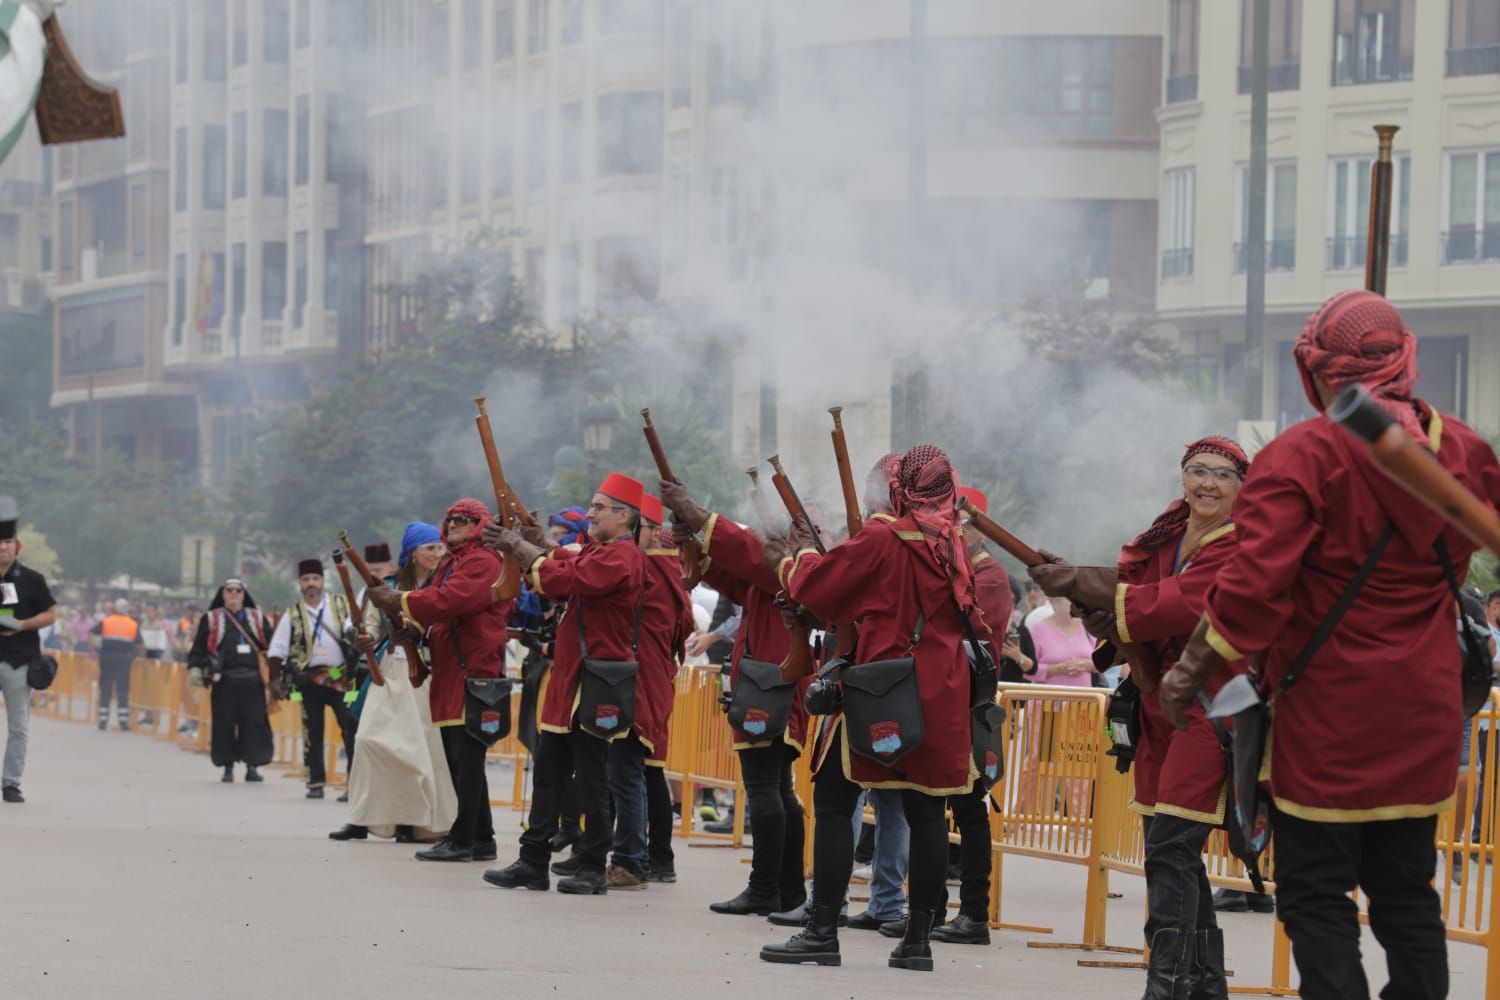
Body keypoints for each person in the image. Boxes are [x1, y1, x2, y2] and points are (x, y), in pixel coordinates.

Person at [1164, 290, 1500, 1000]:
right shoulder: (1466, 451)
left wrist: (1194, 668)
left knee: (1316, 895)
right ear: (1404, 357)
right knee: (1408, 893)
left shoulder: (1303, 456)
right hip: (1423, 711)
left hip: (1327, 716)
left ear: (1316, 371)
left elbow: (1254, 592)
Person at [1031, 436, 1248, 996]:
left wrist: (1081, 582)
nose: (1207, 483)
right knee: (1174, 853)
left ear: (1241, 487)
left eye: (1222, 475)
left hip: (1212, 708)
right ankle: (1201, 984)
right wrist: (1102, 615)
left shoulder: (1240, 544)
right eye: (1197, 470)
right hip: (1157, 705)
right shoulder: (1167, 534)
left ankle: (1166, 985)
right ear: (1181, 477)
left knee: (1172, 848)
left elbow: (1171, 603)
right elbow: (1135, 597)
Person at [759, 444, 988, 973]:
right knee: (928, 811)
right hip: (943, 690)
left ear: (898, 489)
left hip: (884, 687)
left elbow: (819, 589)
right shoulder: (952, 538)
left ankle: (822, 931)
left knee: (836, 803)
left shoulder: (886, 536)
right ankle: (917, 941)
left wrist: (796, 555)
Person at [482, 473, 648, 895]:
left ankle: (593, 865)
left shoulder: (624, 557)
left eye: (598, 507)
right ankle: (532, 860)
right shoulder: (600, 550)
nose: (590, 513)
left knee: (593, 778)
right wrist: (536, 545)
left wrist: (521, 547)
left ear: (623, 515)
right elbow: (566, 564)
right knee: (549, 772)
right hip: (573, 678)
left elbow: (570, 577)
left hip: (595, 681)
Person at [659, 478, 812, 917]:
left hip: (771, 681)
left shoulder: (789, 561)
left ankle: (767, 888)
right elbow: (737, 574)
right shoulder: (781, 565)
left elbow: (746, 555)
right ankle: (786, 890)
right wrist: (697, 546)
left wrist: (694, 511)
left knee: (766, 788)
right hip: (773, 678)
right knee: (777, 790)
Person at [368, 499, 512, 863]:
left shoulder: (483, 560)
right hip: (454, 671)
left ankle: (464, 839)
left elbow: (449, 601)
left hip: (473, 671)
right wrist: (414, 633)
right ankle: (480, 837)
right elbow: (439, 608)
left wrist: (398, 599)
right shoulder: (455, 561)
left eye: (462, 520)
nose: (452, 526)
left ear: (479, 524)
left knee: (466, 759)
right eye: (449, 520)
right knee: (460, 759)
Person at [928, 485, 1017, 946]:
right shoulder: (956, 568)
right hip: (944, 702)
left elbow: (971, 632)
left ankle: (975, 915)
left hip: (970, 704)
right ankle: (931, 907)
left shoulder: (990, 575)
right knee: (934, 809)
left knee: (968, 812)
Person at [331, 522, 458, 844]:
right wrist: (366, 639)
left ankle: (414, 823)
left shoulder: (445, 584)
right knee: (368, 740)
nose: (437, 553)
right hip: (389, 672)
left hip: (427, 674)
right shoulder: (385, 586)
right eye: (429, 548)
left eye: (439, 547)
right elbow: (371, 627)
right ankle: (361, 819)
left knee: (421, 750)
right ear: (413, 552)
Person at [636, 494, 695, 884]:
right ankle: (658, 856)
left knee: (641, 769)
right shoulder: (672, 574)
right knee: (649, 768)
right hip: (657, 674)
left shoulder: (650, 573)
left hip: (643, 676)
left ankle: (651, 856)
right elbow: (685, 625)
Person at [267, 559, 357, 799]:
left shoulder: (341, 605)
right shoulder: (292, 614)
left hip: (341, 678)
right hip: (307, 681)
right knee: (312, 732)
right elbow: (276, 649)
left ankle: (354, 784)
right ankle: (315, 782)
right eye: (306, 580)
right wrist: (275, 681)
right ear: (300, 584)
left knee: (351, 729)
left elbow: (355, 630)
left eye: (315, 579)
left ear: (323, 581)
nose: (311, 584)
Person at [187, 578, 274, 782]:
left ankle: (252, 767)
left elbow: (272, 647)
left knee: (254, 724)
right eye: (229, 590)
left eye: (238, 590)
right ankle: (227, 767)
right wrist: (195, 668)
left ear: (244, 595)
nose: (234, 594)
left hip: (253, 681)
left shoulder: (257, 618)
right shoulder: (211, 619)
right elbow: (199, 648)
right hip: (223, 680)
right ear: (223, 594)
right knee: (224, 724)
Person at [0, 496, 57, 803]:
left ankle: (11, 782)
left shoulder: (32, 579)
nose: (2, 547)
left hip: (20, 663)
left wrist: (23, 625)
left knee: (19, 726)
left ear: (16, 545)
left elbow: (51, 613)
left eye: (7, 541)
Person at [91, 598, 142, 731]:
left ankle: (102, 719)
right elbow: (140, 644)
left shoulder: (106, 621)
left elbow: (92, 632)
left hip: (106, 657)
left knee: (105, 688)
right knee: (123, 690)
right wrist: (138, 657)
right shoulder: (133, 624)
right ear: (127, 610)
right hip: (124, 660)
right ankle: (123, 721)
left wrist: (92, 650)